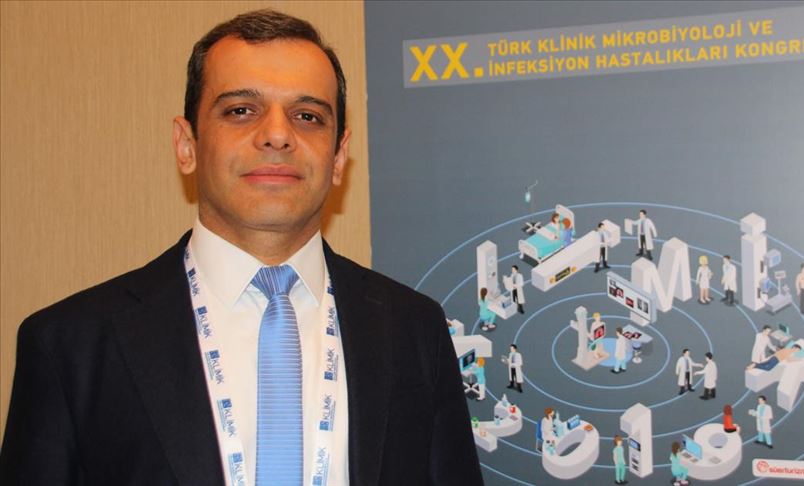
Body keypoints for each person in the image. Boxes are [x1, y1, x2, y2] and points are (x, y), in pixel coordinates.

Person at [0, 10, 482, 486]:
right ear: (186, 145)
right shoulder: (72, 345)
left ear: (338, 156)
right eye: (241, 111)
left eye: (307, 116)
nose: (277, 135)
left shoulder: (413, 330)